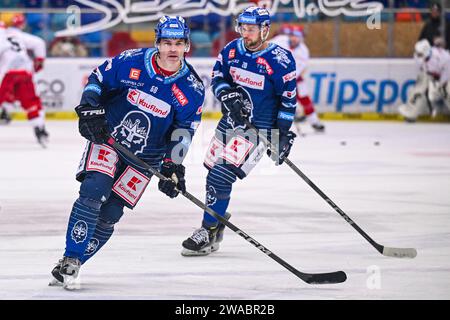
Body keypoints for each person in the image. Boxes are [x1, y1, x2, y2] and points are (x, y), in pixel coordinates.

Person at [49, 15, 205, 290]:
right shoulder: (130, 61)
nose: (172, 49)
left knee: (111, 213)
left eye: (178, 43)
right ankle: (72, 257)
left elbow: (184, 130)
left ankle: (73, 262)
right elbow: (98, 78)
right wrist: (90, 107)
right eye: (166, 42)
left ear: (187, 46)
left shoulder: (192, 89)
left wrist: (173, 166)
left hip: (147, 158)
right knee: (92, 192)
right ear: (157, 42)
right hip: (109, 140)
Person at [181, 7, 297, 256]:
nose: (245, 33)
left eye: (251, 28)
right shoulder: (232, 50)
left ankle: (208, 230)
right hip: (229, 123)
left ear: (265, 30)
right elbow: (217, 77)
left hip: (258, 130)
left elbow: (288, 101)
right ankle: (217, 218)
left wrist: (282, 134)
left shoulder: (281, 60)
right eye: (242, 27)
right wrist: (227, 93)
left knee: (220, 176)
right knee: (212, 171)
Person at [0, 13, 48, 145]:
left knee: (4, 96)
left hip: (8, 74)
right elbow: (39, 43)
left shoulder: (3, 35)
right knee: (32, 102)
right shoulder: (20, 36)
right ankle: (39, 127)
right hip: (25, 73)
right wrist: (39, 60)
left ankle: (6, 111)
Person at [271, 24, 325, 132]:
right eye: (292, 35)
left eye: (297, 36)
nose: (294, 38)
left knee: (305, 98)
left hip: (293, 78)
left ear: (301, 38)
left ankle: (314, 121)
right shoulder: (279, 40)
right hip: (273, 75)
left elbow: (297, 72)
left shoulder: (303, 52)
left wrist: (286, 81)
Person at [399, 39, 450, 121]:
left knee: (448, 92)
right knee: (418, 91)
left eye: (420, 54)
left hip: (445, 77)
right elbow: (420, 71)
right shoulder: (417, 56)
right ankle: (410, 113)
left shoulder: (443, 57)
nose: (417, 55)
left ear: (426, 52)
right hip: (429, 76)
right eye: (417, 53)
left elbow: (447, 71)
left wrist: (440, 84)